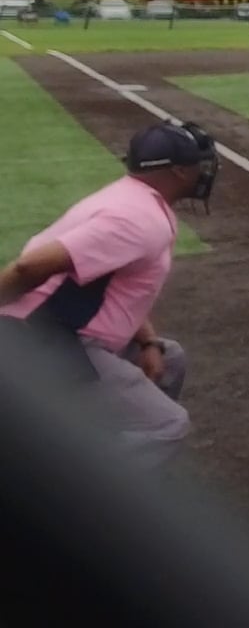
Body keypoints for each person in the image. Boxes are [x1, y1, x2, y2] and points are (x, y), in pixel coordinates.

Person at [0, 121, 219, 468]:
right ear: (178, 171)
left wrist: (148, 342)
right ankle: (86, 487)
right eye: (197, 164)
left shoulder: (136, 200)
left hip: (69, 328)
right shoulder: (135, 220)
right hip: (47, 340)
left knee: (170, 358)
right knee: (167, 425)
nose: (203, 172)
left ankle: (105, 436)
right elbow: (28, 267)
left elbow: (120, 286)